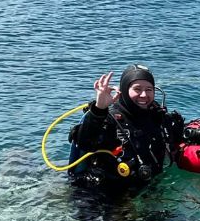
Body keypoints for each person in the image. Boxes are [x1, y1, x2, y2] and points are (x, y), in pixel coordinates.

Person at [68, 64, 185, 197]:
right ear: (124, 89)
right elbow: (85, 142)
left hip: (147, 189)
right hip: (105, 196)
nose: (144, 95)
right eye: (137, 89)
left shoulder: (157, 116)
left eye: (149, 89)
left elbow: (176, 139)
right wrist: (99, 109)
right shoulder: (110, 119)